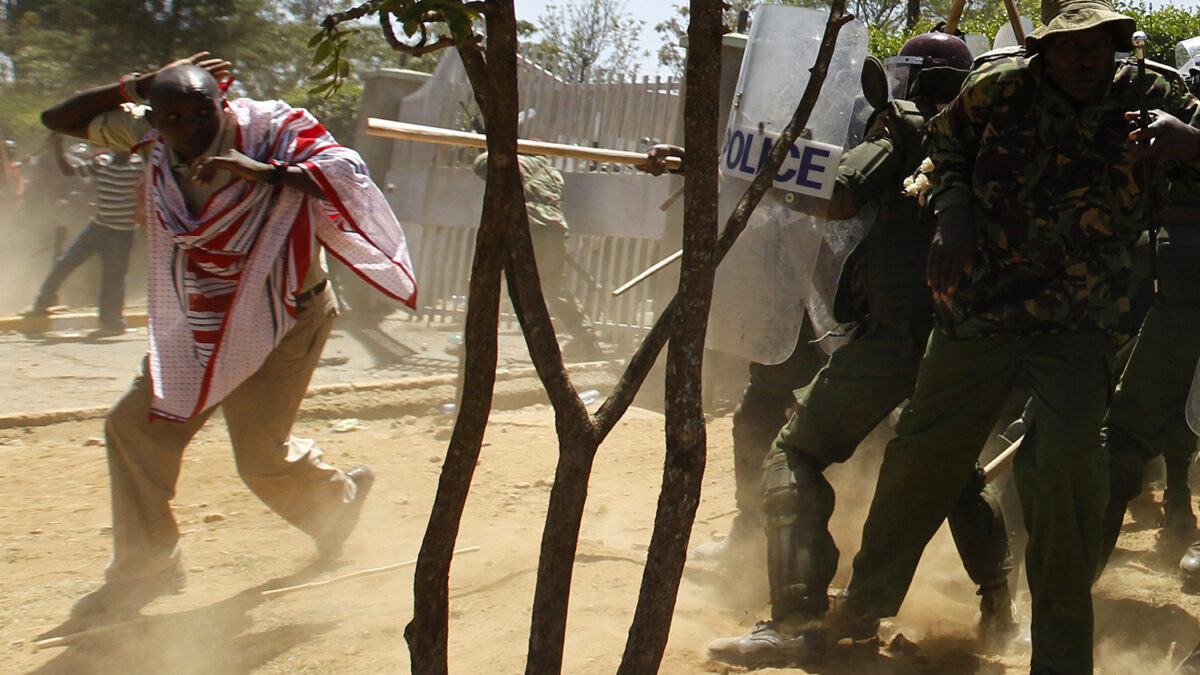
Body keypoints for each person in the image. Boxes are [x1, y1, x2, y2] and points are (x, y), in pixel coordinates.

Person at [805, 3, 1200, 673]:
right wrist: (953, 215)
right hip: (981, 311)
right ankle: (864, 607)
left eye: (1099, 48)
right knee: (923, 458)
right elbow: (940, 149)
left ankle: (1062, 656)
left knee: (1071, 478)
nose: (1087, 62)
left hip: (1079, 326)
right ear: (1045, 50)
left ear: (1116, 47)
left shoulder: (1151, 94)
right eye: (1072, 48)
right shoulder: (999, 87)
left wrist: (1192, 141)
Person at [38, 52, 416, 625]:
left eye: (200, 113)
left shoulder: (273, 132)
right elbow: (57, 119)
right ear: (153, 117)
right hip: (200, 317)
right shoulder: (150, 136)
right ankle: (146, 567)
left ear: (222, 101)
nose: (189, 130)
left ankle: (338, 504)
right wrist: (137, 84)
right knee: (133, 428)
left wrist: (261, 171)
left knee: (260, 459)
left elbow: (345, 173)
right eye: (172, 118)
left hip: (288, 316)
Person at [702, 32, 1017, 668]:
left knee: (795, 452)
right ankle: (1000, 612)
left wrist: (758, 168)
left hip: (897, 337)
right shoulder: (1000, 138)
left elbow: (840, 192)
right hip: (964, 343)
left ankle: (796, 618)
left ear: (918, 79)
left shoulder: (907, 125)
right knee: (950, 471)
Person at [472, 151, 603, 360]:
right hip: (553, 230)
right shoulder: (552, 174)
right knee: (555, 288)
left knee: (484, 282)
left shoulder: (511, 161)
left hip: (521, 227)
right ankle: (586, 341)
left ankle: (476, 340)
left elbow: (481, 164)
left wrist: (490, 148)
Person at [23, 134, 142, 337]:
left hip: (122, 232)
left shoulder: (141, 167)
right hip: (98, 226)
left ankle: (112, 321)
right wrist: (59, 147)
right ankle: (41, 304)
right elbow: (69, 171)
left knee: (114, 277)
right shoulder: (101, 162)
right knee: (65, 263)